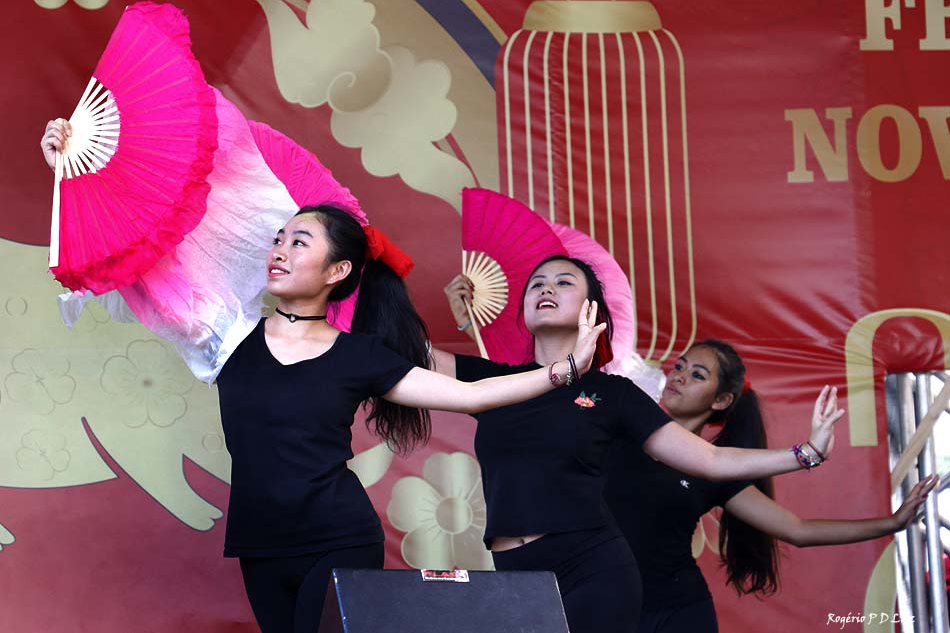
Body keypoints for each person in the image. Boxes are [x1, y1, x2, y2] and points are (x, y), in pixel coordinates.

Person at [41, 120, 606, 633]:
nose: (280, 250)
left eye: (299, 242)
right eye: (278, 239)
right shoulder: (227, 337)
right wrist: (73, 169)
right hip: (259, 545)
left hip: (338, 539)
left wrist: (567, 369)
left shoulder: (359, 355)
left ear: (337, 271)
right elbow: (140, 253)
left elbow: (470, 396)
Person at [436, 256, 846, 633]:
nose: (546, 287)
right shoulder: (494, 383)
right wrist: (394, 273)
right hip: (515, 572)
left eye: (564, 282)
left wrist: (806, 453)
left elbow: (709, 458)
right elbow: (406, 359)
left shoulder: (613, 394)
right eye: (537, 283)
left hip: (591, 570)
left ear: (591, 311)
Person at [602, 338, 938, 633]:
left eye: (697, 375)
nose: (679, 376)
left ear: (720, 401)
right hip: (603, 604)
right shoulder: (618, 431)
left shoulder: (720, 468)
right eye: (679, 366)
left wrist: (892, 523)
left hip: (675, 612)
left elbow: (798, 530)